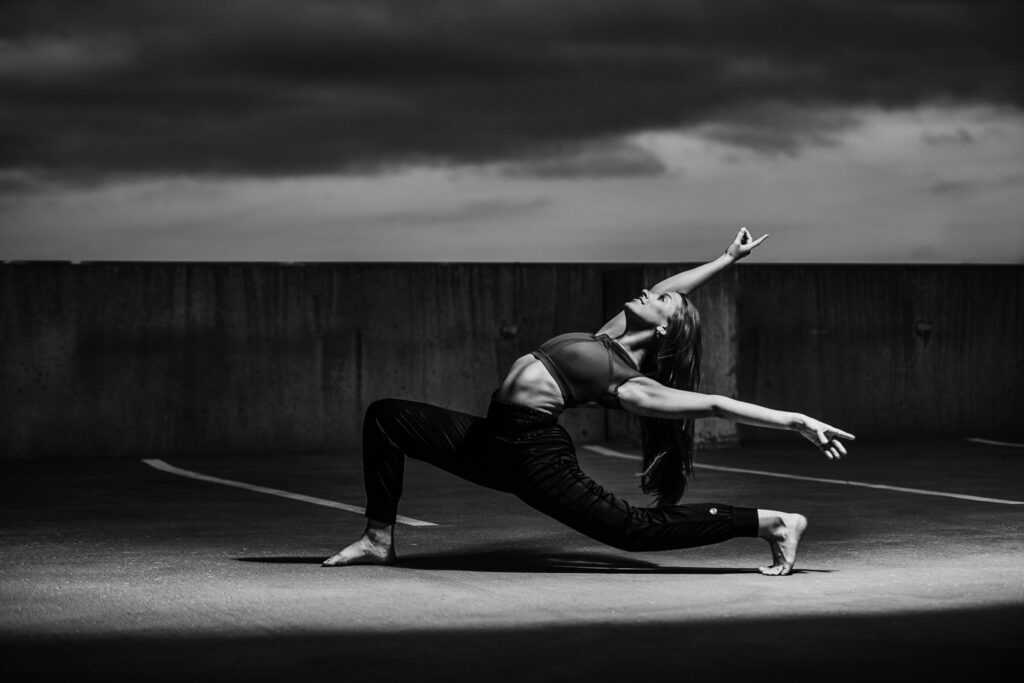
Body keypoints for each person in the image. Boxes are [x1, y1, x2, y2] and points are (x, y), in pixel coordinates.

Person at [324, 228, 854, 576]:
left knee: (630, 531)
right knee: (386, 417)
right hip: (492, 438)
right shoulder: (612, 336)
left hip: (534, 455)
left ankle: (772, 522)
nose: (652, 289)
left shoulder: (632, 384)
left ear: (665, 327)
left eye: (660, 299)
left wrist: (796, 420)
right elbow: (669, 290)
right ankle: (378, 538)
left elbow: (716, 404)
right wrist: (725, 259)